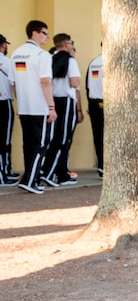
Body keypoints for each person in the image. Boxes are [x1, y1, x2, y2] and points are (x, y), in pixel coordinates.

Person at [11, 20, 57, 195]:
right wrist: (51, 107)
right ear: (35, 33)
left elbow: (14, 85)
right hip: (39, 107)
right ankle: (30, 180)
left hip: (24, 108)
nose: (47, 37)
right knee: (40, 144)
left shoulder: (15, 54)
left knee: (29, 145)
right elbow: (45, 81)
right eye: (45, 33)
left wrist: (21, 101)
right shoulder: (42, 55)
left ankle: (34, 179)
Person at [41, 33, 82, 187]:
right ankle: (49, 173)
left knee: (54, 138)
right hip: (66, 101)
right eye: (70, 43)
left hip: (52, 101)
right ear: (66, 44)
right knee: (63, 139)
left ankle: (62, 173)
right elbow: (74, 83)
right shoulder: (70, 60)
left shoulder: (50, 58)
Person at [0, 34, 16, 185]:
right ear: (3, 45)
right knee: (4, 140)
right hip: (4, 104)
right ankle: (3, 173)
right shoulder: (7, 62)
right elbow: (15, 83)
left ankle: (6, 171)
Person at [86, 47, 105, 176]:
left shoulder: (93, 62)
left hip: (94, 102)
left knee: (98, 136)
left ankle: (101, 166)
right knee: (110, 137)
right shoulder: (112, 61)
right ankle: (108, 166)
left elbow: (87, 86)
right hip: (108, 102)